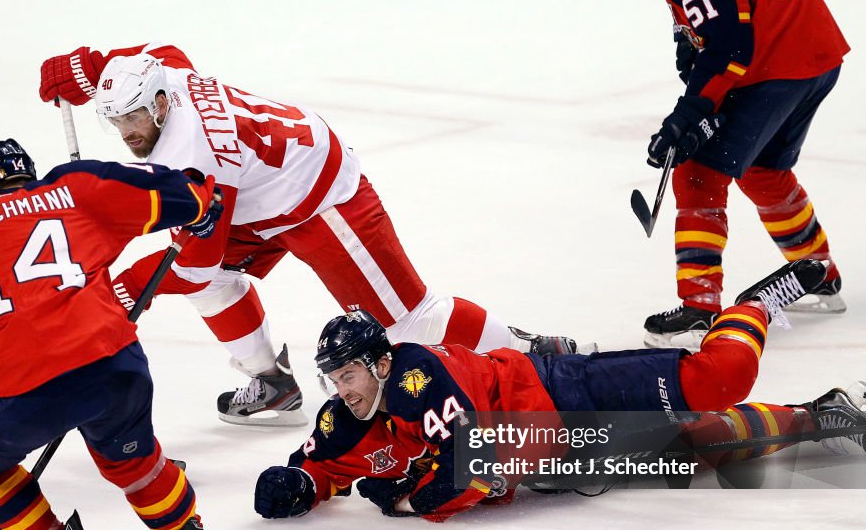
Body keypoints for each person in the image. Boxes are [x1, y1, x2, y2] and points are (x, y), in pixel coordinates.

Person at [37, 43, 581, 428]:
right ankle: (272, 381)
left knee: (408, 321)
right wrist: (90, 70)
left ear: (159, 103)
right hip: (255, 194)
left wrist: (128, 287)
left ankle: (533, 354)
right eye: (115, 119)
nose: (127, 131)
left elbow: (193, 258)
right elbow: (163, 49)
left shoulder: (190, 158)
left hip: (320, 198)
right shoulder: (167, 74)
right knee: (214, 283)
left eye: (134, 116)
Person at [254, 259, 866, 522]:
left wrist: (405, 501)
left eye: (350, 375)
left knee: (720, 379)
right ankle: (823, 415)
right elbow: (322, 465)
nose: (342, 391)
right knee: (701, 446)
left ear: (381, 365)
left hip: (560, 390)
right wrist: (299, 485)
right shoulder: (349, 414)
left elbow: (471, 472)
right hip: (564, 455)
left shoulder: (416, 377)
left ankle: (752, 306)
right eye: (333, 380)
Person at [0, 138, 237, 530]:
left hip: (23, 382)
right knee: (132, 459)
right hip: (113, 361)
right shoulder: (73, 187)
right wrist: (198, 203)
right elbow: (173, 193)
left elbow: (13, 309)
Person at [642, 0, 849, 349]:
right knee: (763, 171)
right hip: (813, 48)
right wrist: (690, 39)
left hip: (774, 61)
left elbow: (729, 47)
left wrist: (691, 112)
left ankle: (700, 307)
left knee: (698, 175)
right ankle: (815, 272)